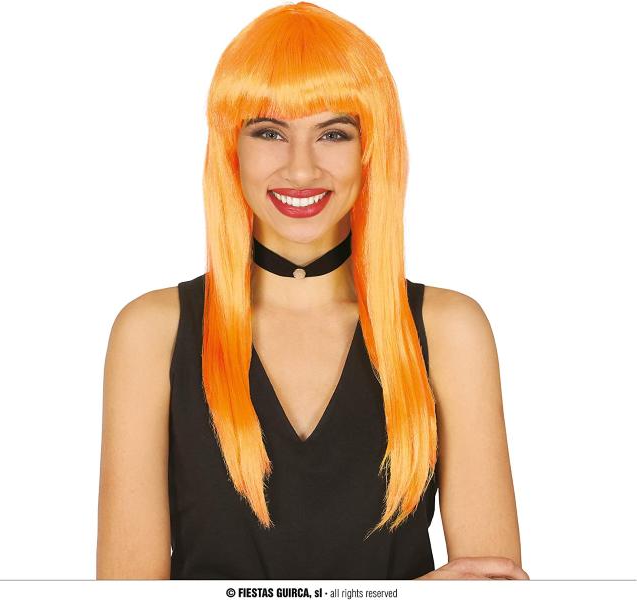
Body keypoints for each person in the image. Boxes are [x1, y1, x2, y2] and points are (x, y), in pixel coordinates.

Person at [96, 2, 529, 581]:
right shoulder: (153, 333)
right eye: (270, 132)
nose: (301, 170)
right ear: (231, 147)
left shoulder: (450, 330)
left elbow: (493, 586)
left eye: (333, 133)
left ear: (371, 149)